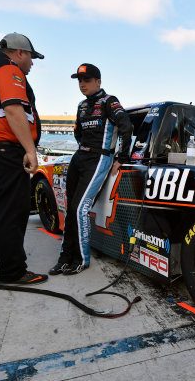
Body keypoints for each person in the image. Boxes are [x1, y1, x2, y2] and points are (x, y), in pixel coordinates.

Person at [0, 32, 48, 285]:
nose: (32, 64)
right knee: (11, 211)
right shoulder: (7, 67)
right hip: (5, 150)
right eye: (31, 57)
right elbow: (14, 109)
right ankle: (12, 271)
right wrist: (30, 150)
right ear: (19, 53)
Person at [49, 63, 132, 275]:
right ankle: (65, 257)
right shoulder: (81, 106)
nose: (82, 84)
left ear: (98, 82)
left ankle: (81, 259)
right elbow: (78, 133)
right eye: (79, 81)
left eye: (86, 80)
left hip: (99, 158)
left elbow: (126, 128)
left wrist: (120, 157)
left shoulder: (109, 101)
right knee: (70, 210)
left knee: (80, 209)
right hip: (80, 158)